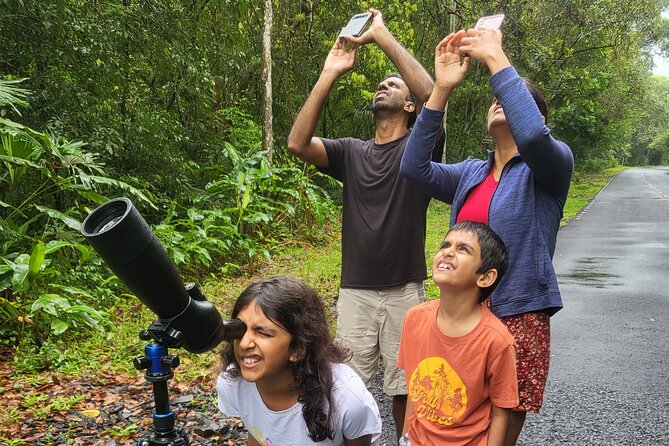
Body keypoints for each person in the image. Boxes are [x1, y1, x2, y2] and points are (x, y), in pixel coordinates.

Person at [400, 29, 574, 445]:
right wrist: (440, 90)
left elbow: (532, 138)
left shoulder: (550, 168)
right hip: (462, 312)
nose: (499, 100)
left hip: (519, 311)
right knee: (449, 404)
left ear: (539, 118)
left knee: (501, 420)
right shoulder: (470, 174)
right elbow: (414, 169)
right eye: (495, 98)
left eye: (512, 97)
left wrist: (496, 58)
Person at [286, 9, 443, 439]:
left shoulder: (419, 150)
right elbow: (297, 142)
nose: (383, 85)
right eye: (381, 83)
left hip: (405, 287)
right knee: (344, 386)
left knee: (404, 387)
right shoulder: (352, 152)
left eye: (393, 84)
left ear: (410, 106)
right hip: (355, 290)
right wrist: (329, 72)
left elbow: (434, 94)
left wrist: (382, 36)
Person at [216, 276, 382, 446]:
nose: (244, 343)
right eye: (240, 330)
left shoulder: (346, 399)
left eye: (263, 332)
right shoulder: (232, 383)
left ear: (298, 348)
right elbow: (258, 432)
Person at [398, 221, 518, 445]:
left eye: (463, 249)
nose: (448, 252)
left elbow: (502, 412)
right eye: (446, 245)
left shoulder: (496, 340)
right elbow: (414, 392)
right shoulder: (414, 318)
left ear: (485, 277)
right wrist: (405, 437)